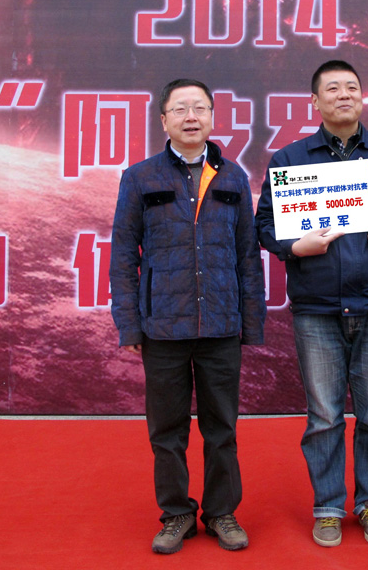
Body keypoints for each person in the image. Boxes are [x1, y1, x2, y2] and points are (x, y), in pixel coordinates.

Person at [255, 60, 368, 547]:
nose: (344, 94)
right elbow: (265, 225)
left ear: (363, 97)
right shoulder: (290, 158)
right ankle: (329, 506)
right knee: (324, 416)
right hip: (317, 307)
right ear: (314, 102)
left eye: (352, 87)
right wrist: (295, 247)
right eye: (332, 88)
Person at [109, 78, 266, 554]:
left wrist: (251, 323)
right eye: (180, 109)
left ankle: (221, 512)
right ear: (164, 120)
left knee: (222, 428)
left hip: (220, 325)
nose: (191, 116)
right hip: (163, 327)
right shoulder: (140, 177)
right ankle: (176, 513)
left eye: (200, 108)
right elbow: (123, 255)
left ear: (213, 117)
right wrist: (129, 324)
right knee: (167, 431)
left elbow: (247, 256)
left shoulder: (233, 177)